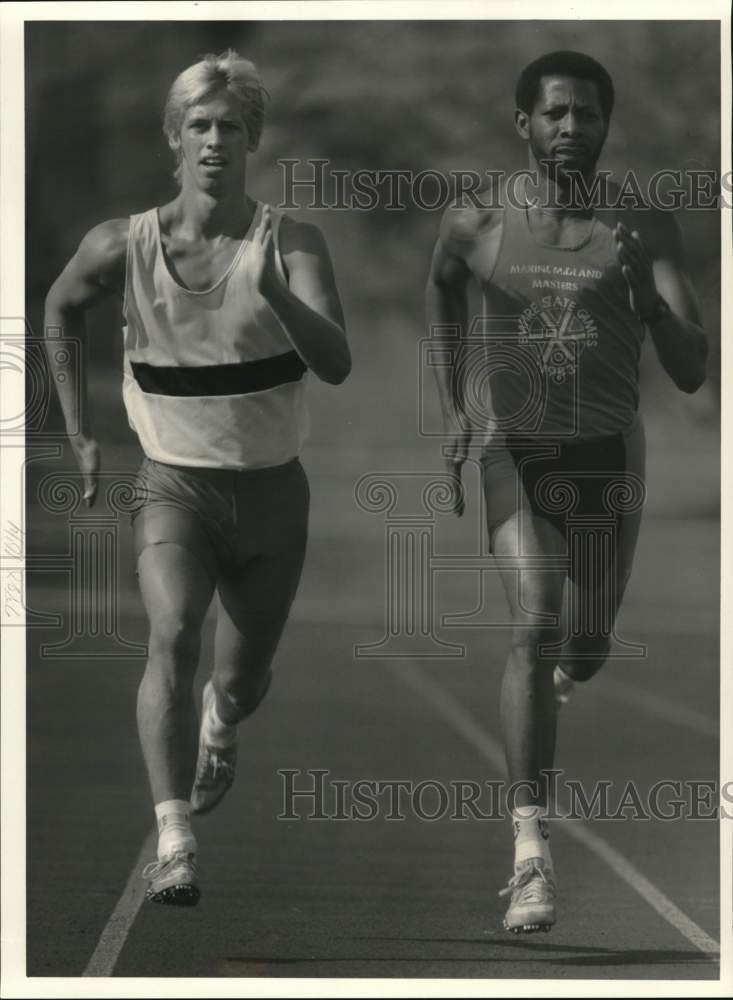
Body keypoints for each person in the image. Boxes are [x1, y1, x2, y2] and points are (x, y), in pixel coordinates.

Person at [44, 50, 351, 906]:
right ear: (174, 139)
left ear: (252, 138)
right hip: (173, 486)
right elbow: (59, 309)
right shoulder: (121, 244)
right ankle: (174, 836)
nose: (215, 141)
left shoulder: (293, 243)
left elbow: (336, 362)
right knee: (174, 631)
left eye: (231, 127)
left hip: (272, 494)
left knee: (240, 680)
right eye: (199, 127)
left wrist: (276, 296)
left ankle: (223, 721)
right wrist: (76, 428)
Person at [426, 50, 707, 933]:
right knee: (533, 619)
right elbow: (440, 291)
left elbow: (694, 371)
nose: (570, 128)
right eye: (554, 113)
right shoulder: (475, 221)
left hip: (606, 459)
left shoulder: (642, 225)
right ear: (524, 125)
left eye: (586, 114)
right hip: (515, 450)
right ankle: (530, 855)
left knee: (581, 650)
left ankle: (565, 672)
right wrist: (454, 404)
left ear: (604, 126)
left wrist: (651, 305)